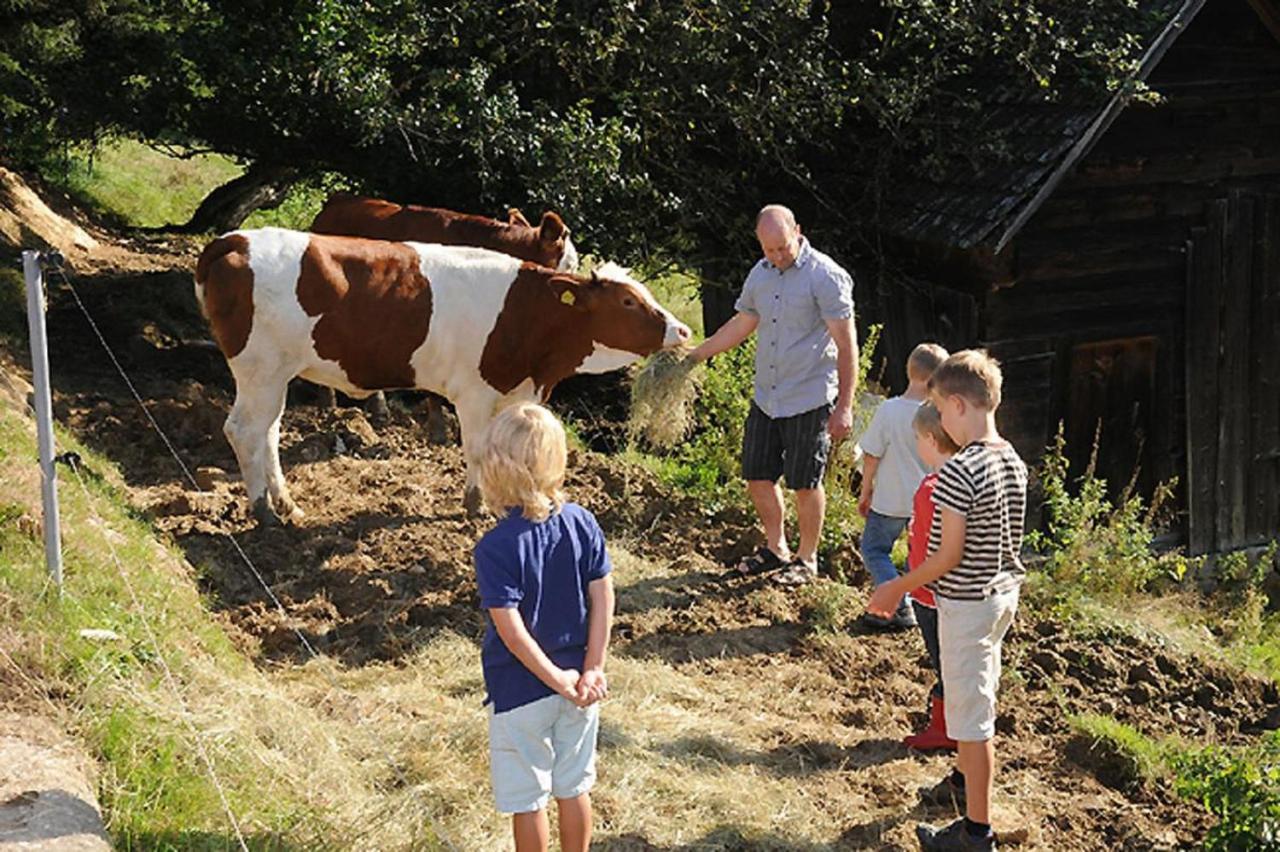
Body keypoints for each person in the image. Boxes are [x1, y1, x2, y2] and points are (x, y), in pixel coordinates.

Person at [866, 350, 1027, 852]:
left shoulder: (960, 471)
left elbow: (948, 555)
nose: (940, 420)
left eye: (939, 406)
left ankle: (976, 834)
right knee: (973, 700)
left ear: (957, 405)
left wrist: (896, 585)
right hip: (1001, 596)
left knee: (973, 723)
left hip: (965, 605)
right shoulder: (1011, 459)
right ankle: (960, 787)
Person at [688, 205, 857, 586]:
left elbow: (847, 345)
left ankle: (807, 559)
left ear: (798, 230)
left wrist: (844, 405)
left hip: (810, 397)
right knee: (757, 476)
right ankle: (776, 548)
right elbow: (743, 323)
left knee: (805, 482)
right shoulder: (760, 276)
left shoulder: (825, 276)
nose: (778, 256)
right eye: (769, 250)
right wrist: (697, 354)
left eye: (783, 247)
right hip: (767, 397)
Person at [473, 403, 615, 852]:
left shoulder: (495, 548)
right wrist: (591, 669)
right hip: (580, 686)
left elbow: (512, 632)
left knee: (528, 798)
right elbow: (604, 597)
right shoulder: (583, 523)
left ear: (494, 467)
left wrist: (556, 679)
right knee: (574, 786)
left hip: (520, 690)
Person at [859, 343, 949, 629]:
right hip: (927, 502)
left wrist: (865, 490)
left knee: (874, 550)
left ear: (909, 371)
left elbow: (872, 454)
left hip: (890, 498)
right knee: (919, 556)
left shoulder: (889, 410)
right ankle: (914, 600)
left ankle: (899, 602)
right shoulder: (939, 418)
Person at [902, 402, 960, 752]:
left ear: (930, 439)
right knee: (950, 664)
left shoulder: (933, 488)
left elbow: (930, 547)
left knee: (945, 664)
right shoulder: (959, 481)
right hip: (946, 595)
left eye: (917, 440)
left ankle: (946, 729)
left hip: (929, 596)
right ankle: (948, 724)